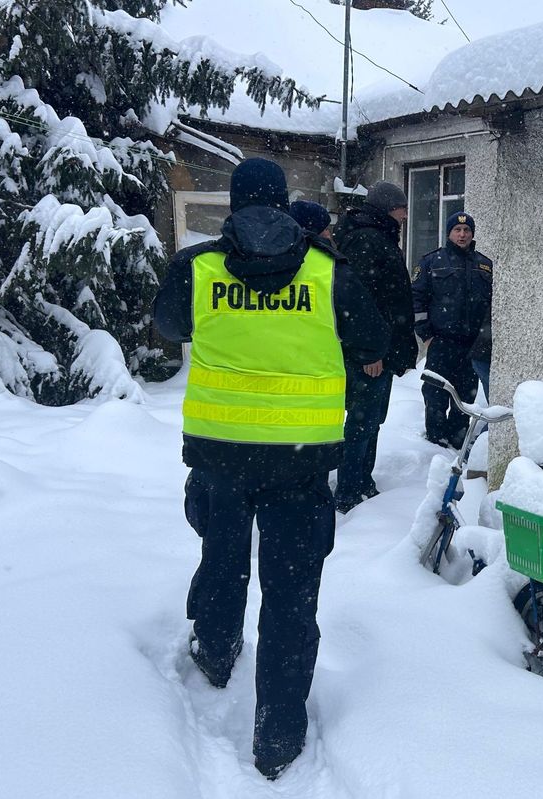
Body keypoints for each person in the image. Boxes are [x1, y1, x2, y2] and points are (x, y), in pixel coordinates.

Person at [153, 158, 387, 781]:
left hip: (221, 457)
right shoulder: (327, 271)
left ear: (234, 203)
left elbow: (168, 324)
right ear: (283, 203)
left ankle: (215, 653)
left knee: (222, 558)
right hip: (299, 463)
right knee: (290, 596)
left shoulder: (198, 267)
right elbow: (374, 339)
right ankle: (278, 737)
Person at [331, 180, 418, 513]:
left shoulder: (378, 236)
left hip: (380, 349)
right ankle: (348, 490)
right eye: (402, 209)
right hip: (370, 354)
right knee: (361, 421)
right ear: (388, 208)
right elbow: (361, 302)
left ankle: (362, 481)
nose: (406, 215)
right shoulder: (367, 240)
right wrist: (370, 352)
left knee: (370, 420)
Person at [412, 212, 493, 448]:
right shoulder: (431, 262)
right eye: (457, 230)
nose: (462, 234)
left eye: (467, 230)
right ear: (449, 233)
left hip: (472, 345)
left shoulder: (485, 265)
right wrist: (426, 335)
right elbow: (416, 300)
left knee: (466, 395)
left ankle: (459, 439)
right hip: (441, 342)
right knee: (435, 394)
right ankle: (435, 441)